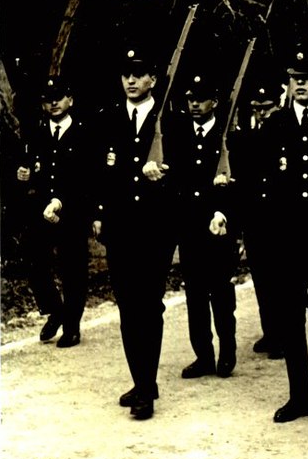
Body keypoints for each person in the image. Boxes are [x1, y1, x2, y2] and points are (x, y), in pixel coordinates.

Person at [246, 42, 308, 423]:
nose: (300, 85)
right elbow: (263, 185)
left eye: (306, 79)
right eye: (294, 79)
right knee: (290, 321)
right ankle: (300, 396)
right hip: (286, 241)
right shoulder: (275, 126)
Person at [92, 47, 177, 420]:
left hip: (155, 229)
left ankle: (146, 388)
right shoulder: (107, 119)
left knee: (149, 305)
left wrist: (164, 176)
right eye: (125, 73)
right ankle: (143, 379)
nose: (130, 80)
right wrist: (98, 214)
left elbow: (188, 174)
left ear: (153, 80)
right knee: (128, 306)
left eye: (138, 74)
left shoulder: (171, 122)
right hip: (121, 228)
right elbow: (97, 174)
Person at [168, 73, 239, 379]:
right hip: (190, 227)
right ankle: (204, 355)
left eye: (201, 99)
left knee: (221, 293)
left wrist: (225, 213)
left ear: (215, 102)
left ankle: (227, 350)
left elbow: (237, 187)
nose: (195, 104)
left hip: (219, 227)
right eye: (190, 99)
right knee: (195, 294)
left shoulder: (227, 138)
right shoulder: (179, 136)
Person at [16, 77, 92, 348]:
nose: (54, 103)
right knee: (34, 259)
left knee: (73, 269)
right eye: (48, 99)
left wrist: (63, 201)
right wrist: (22, 174)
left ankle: (72, 326)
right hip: (41, 212)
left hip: (72, 212)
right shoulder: (36, 134)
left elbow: (85, 179)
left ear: (70, 100)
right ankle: (55, 309)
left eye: (59, 97)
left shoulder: (84, 133)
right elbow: (29, 169)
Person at [233, 82, 285, 359]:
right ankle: (271, 331)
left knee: (278, 278)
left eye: (266, 108)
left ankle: (283, 335)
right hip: (255, 216)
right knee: (263, 279)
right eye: (257, 109)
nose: (262, 113)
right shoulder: (249, 132)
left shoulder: (283, 129)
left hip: (278, 217)